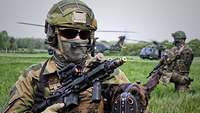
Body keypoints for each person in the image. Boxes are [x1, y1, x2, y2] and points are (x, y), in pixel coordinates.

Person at [2, 0, 160, 113]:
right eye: (69, 32)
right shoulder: (34, 76)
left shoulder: (111, 74)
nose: (77, 39)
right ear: (53, 34)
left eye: (83, 33)